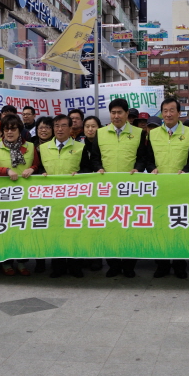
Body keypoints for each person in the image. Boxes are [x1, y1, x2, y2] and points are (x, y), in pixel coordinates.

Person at [89, 98, 154, 278]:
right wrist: (98, 168)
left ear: (127, 115)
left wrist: (138, 169)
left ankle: (129, 265)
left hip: (130, 188)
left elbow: (142, 157)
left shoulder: (139, 133)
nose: (116, 116)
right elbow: (95, 157)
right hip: (107, 189)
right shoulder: (101, 133)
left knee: (129, 228)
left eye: (119, 112)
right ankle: (113, 265)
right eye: (113, 113)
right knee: (109, 228)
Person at [39, 115, 100, 278]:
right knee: (55, 233)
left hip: (74, 198)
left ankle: (75, 266)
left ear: (70, 128)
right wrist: (40, 173)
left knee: (74, 233)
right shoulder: (44, 148)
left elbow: (87, 169)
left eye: (63, 126)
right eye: (56, 126)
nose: (59, 129)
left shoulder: (81, 147)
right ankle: (57, 267)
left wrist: (79, 174)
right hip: (52, 198)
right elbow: (38, 169)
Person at [149, 97, 189, 279]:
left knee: (179, 226)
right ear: (161, 113)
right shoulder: (152, 134)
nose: (168, 114)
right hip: (159, 189)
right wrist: (150, 168)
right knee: (160, 227)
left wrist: (186, 171)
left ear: (179, 113)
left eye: (172, 110)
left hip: (181, 189)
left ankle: (180, 265)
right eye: (165, 110)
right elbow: (147, 158)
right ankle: (161, 265)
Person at [0, 115, 40, 276]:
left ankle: (22, 263)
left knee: (22, 230)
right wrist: (6, 171)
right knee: (6, 230)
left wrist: (32, 168)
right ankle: (6, 263)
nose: (9, 132)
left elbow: (37, 164)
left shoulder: (30, 146)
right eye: (6, 129)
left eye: (13, 128)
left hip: (25, 197)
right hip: (5, 197)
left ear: (19, 130)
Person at [80, 115, 104, 272]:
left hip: (102, 189)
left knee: (98, 224)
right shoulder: (77, 146)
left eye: (93, 126)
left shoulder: (104, 143)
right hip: (83, 191)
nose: (90, 129)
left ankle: (97, 257)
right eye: (87, 126)